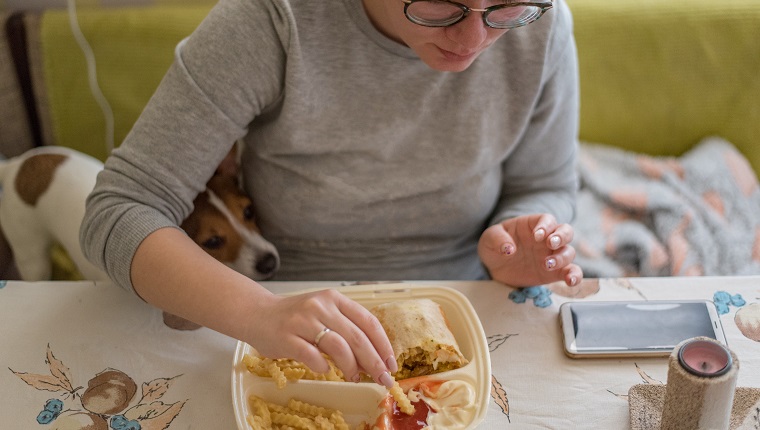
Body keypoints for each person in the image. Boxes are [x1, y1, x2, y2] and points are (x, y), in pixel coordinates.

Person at [80, 0, 583, 389]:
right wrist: (257, 313)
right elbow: (119, 211)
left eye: (507, 6)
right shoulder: (272, 21)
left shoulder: (543, 26)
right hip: (282, 311)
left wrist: (520, 240)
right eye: (438, 3)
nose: (474, 38)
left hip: (466, 304)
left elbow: (546, 183)